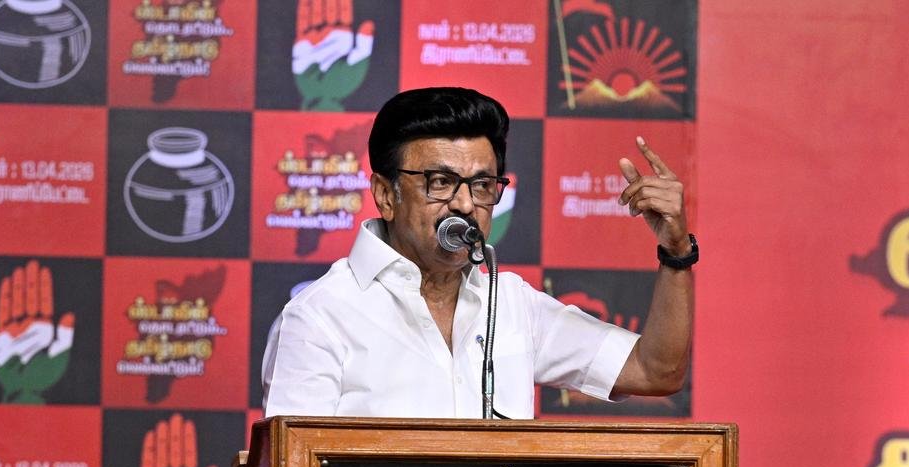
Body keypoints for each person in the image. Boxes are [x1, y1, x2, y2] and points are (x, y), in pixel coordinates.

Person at [261, 87, 693, 418]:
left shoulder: (512, 304)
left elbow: (655, 371)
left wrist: (675, 251)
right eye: (440, 182)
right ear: (386, 195)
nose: (466, 204)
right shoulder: (320, 317)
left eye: (483, 185)